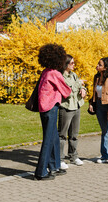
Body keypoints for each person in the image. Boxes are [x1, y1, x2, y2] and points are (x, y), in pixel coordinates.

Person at [34, 43, 72, 180]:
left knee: (54, 137)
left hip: (43, 108)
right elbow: (66, 91)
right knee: (49, 139)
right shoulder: (55, 74)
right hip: (51, 108)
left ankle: (55, 166)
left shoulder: (45, 72)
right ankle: (41, 172)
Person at [58, 55, 87, 169]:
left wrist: (83, 89)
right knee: (62, 135)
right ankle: (59, 159)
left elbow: (78, 87)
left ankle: (73, 156)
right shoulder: (61, 77)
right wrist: (79, 84)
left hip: (76, 106)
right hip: (66, 107)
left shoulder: (74, 75)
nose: (74, 65)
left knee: (74, 134)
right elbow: (67, 92)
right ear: (66, 64)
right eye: (72, 63)